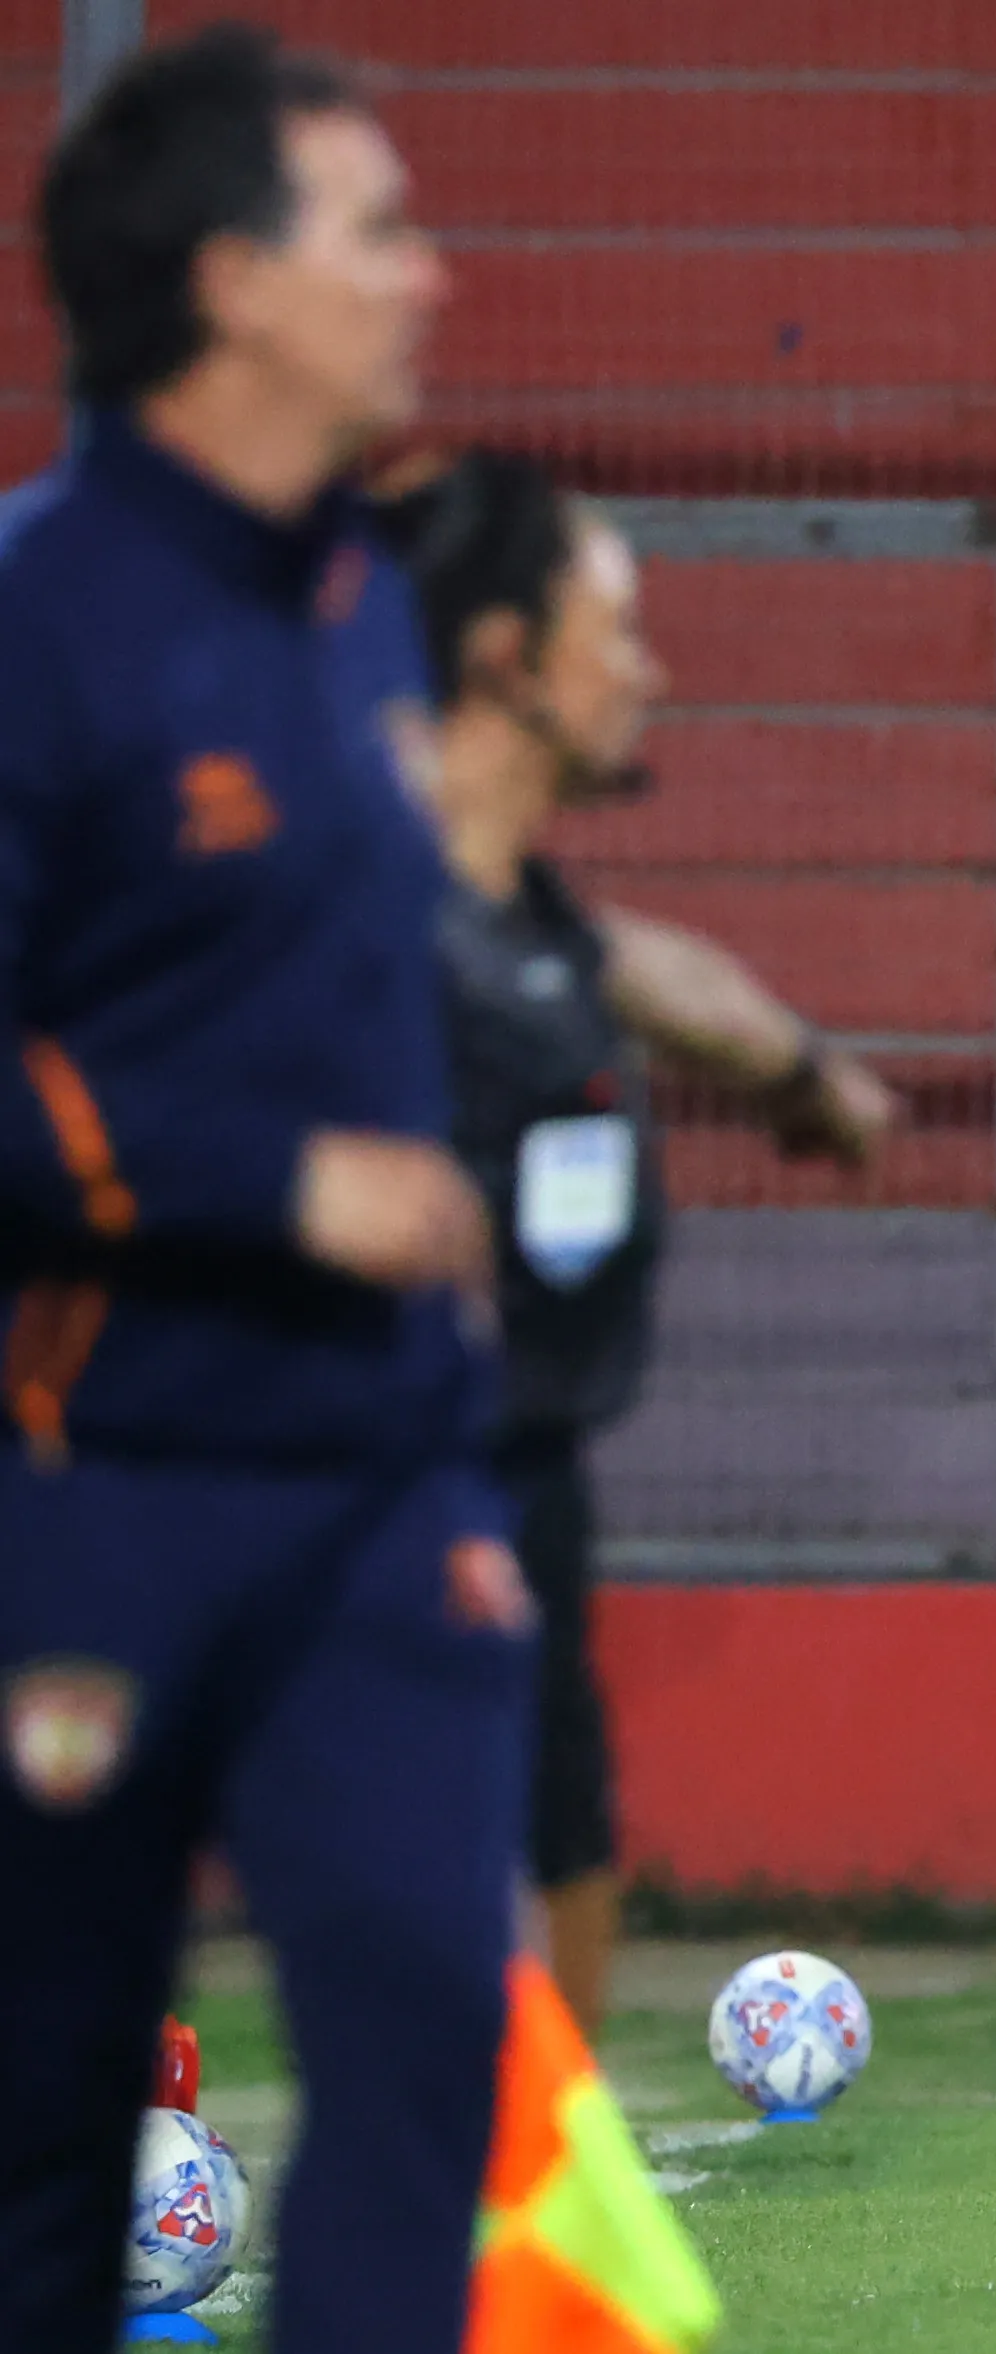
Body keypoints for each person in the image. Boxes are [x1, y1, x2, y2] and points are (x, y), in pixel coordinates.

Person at [0, 31, 525, 2353]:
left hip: (383, 1492)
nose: (431, 275)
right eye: (376, 230)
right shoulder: (34, 617)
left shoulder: (364, 603)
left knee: (428, 2040)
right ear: (231, 283)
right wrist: (268, 1181)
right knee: (42, 2124)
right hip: (89, 1483)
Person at [378, 447, 897, 2033]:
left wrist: (802, 1073)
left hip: (521, 1478)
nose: (651, 670)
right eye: (617, 625)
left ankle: (527, 2194)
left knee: (558, 1847)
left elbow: (637, 970)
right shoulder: (339, 911)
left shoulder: (524, 919)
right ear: (502, 660)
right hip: (366, 1489)